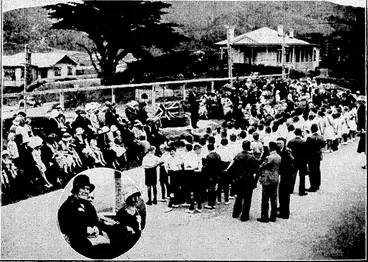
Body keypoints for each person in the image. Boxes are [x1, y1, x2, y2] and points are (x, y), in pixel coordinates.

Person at [58, 175, 110, 259]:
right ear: (76, 188)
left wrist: (96, 227)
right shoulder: (67, 206)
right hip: (78, 239)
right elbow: (65, 227)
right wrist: (84, 230)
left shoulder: (88, 205)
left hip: (93, 236)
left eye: (88, 189)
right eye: (83, 188)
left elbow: (94, 219)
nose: (86, 192)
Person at [225, 140, 258, 221]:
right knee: (247, 199)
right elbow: (255, 170)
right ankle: (245, 215)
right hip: (248, 179)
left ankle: (236, 213)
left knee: (239, 197)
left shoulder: (238, 156)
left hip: (239, 179)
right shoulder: (252, 158)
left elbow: (232, 168)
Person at [255, 141, 282, 223]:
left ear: (270, 148)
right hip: (275, 178)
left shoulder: (269, 157)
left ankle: (264, 217)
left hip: (267, 179)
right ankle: (273, 216)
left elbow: (261, 166)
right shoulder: (279, 157)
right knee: (274, 198)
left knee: (265, 198)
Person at [276, 138, 294, 219]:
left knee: (284, 193)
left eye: (279, 143)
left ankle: (285, 213)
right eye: (277, 143)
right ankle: (282, 208)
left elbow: (292, 159)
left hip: (287, 175)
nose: (278, 144)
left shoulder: (287, 151)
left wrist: (285, 166)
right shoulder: (281, 150)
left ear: (283, 143)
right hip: (284, 174)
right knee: (281, 192)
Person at [287, 128, 308, 196]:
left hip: (294, 160)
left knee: (292, 175)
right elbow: (307, 152)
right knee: (302, 176)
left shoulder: (291, 141)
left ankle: (290, 189)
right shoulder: (304, 142)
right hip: (302, 161)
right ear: (301, 133)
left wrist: (291, 158)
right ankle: (301, 191)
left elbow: (287, 151)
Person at [306, 124, 326, 192]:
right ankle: (317, 185)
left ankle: (313, 186)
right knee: (317, 169)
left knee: (311, 171)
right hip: (318, 155)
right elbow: (323, 145)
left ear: (311, 130)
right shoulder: (321, 137)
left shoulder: (310, 138)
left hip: (311, 156)